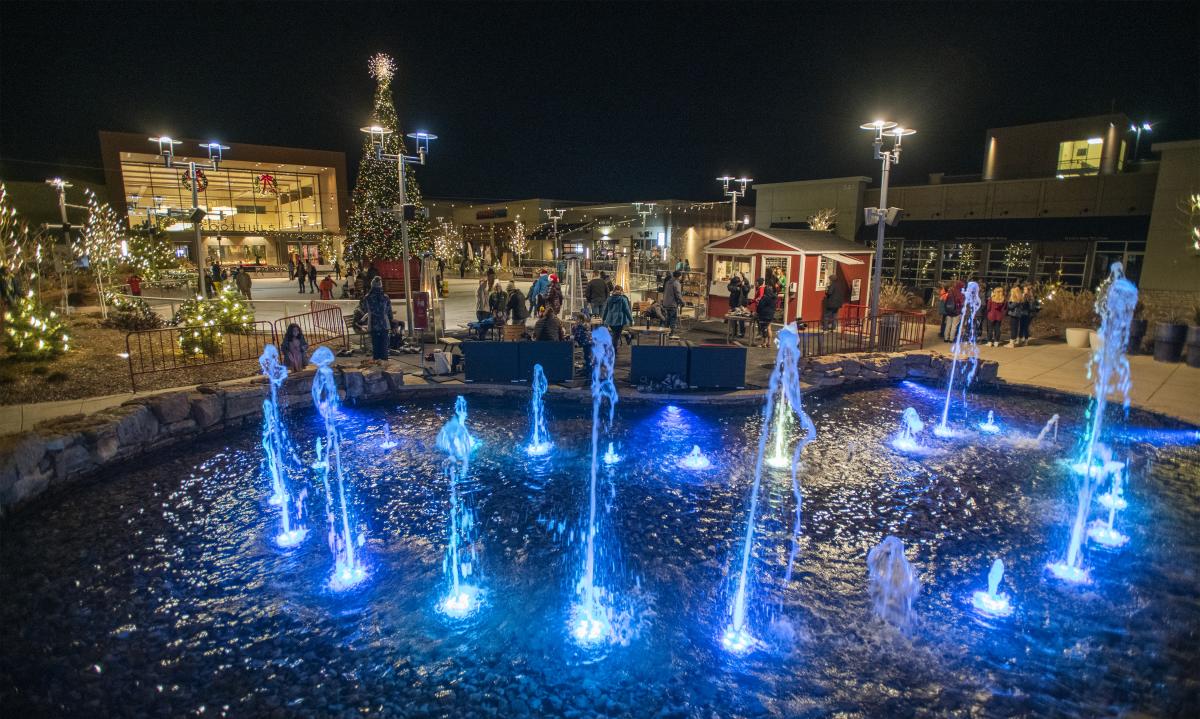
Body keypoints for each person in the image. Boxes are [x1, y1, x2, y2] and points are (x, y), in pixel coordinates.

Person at [361, 276, 394, 362]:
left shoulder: (367, 297)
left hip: (373, 325)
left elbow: (364, 309)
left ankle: (377, 369)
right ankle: (386, 369)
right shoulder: (385, 297)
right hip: (384, 325)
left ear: (372, 286)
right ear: (381, 286)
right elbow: (389, 312)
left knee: (376, 348)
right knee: (384, 348)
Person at [822, 265, 848, 331]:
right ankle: (833, 328)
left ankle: (825, 329)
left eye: (830, 279)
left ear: (832, 279)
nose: (829, 280)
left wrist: (826, 291)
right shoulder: (840, 284)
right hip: (838, 303)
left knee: (826, 316)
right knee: (834, 315)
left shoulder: (833, 284)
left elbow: (829, 293)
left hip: (831, 303)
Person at [662, 270, 684, 338]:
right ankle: (671, 334)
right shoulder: (676, 283)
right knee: (673, 319)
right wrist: (682, 302)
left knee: (667, 319)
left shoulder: (668, 282)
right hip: (672, 304)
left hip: (666, 303)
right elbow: (678, 294)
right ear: (679, 276)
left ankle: (665, 333)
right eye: (681, 276)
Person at [756, 281, 778, 347]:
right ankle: (769, 343)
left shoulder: (764, 297)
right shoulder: (774, 298)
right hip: (770, 315)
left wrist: (757, 312)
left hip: (764, 315)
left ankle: (764, 343)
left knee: (764, 329)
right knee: (769, 328)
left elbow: (760, 307)